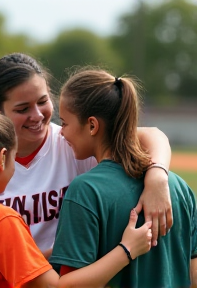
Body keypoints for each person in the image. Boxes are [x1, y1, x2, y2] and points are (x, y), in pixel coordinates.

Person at [0, 53, 172, 258]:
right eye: (22, 109)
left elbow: (151, 135)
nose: (38, 115)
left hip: (64, 277)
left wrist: (158, 178)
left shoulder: (73, 141)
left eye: (42, 101)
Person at [0, 106, 153, 288]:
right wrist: (126, 249)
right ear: (1, 158)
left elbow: (7, 264)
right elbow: (59, 287)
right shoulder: (0, 220)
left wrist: (63, 247)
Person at [49, 68, 197, 287]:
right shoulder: (179, 187)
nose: (61, 133)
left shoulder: (85, 191)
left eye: (64, 123)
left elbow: (68, 285)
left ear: (92, 125)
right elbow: (193, 276)